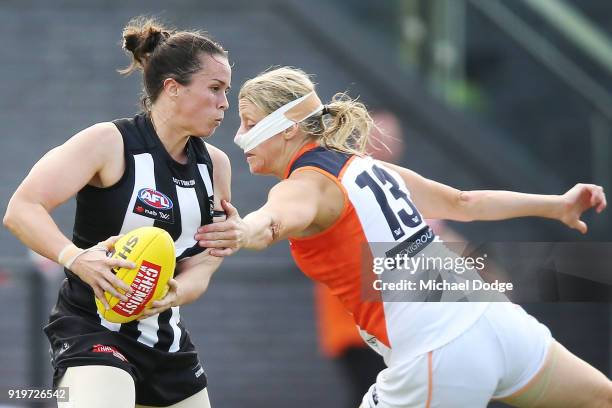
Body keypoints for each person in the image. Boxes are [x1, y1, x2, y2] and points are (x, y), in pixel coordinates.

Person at [196, 67, 612, 407]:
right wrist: (556, 205)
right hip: (496, 321)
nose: (238, 137)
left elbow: (270, 222)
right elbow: (464, 202)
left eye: (249, 123)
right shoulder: (367, 166)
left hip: (437, 353)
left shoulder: (304, 184)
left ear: (287, 128)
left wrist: (239, 231)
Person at [3, 17, 231, 408]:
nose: (224, 103)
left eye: (226, 90)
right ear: (172, 89)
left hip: (166, 342)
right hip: (93, 330)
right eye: (214, 89)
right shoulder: (108, 142)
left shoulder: (215, 164)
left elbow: (208, 255)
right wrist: (75, 258)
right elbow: (22, 209)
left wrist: (185, 288)